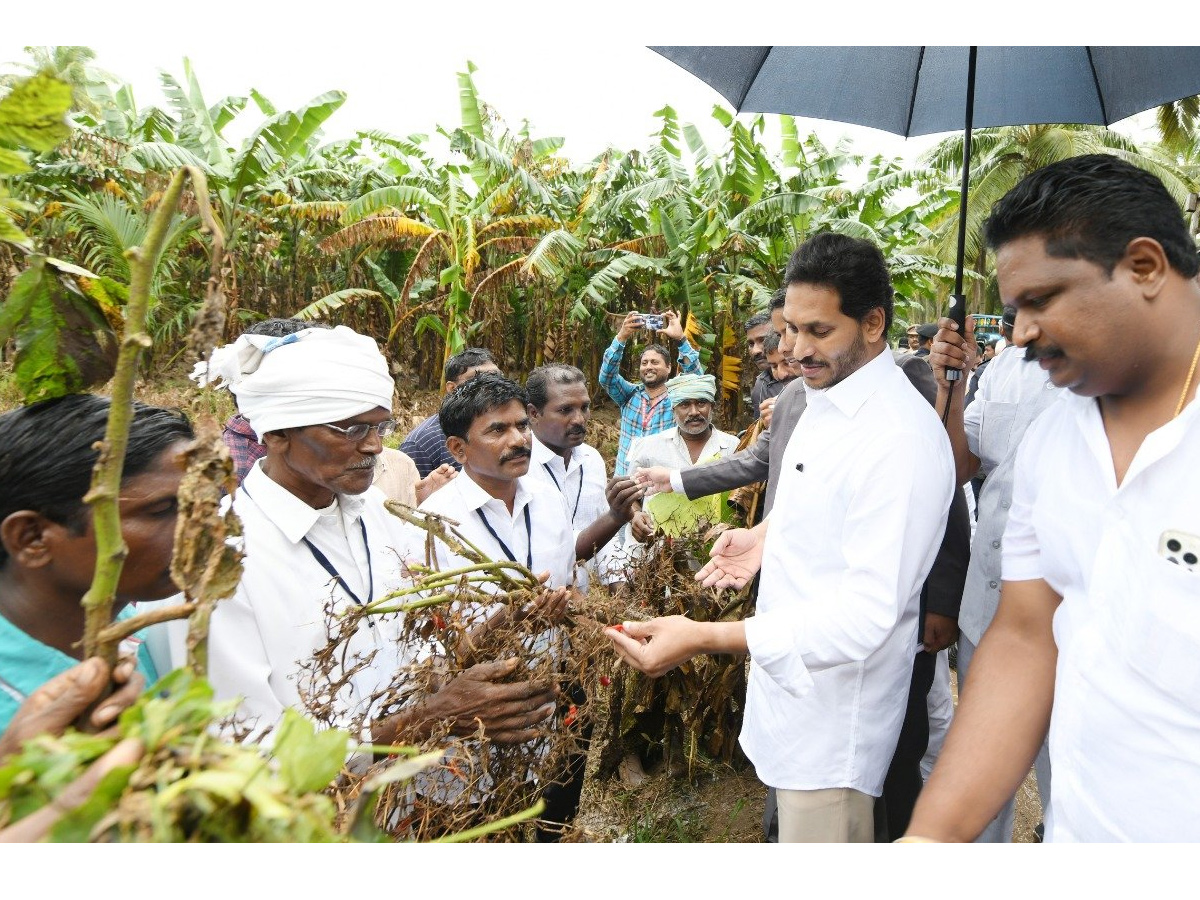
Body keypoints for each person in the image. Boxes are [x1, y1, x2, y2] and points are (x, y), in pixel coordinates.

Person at [608, 232, 955, 842]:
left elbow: (865, 615)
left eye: (818, 332)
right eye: (790, 328)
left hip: (832, 723)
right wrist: (767, 536)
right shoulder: (827, 395)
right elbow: (821, 498)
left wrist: (703, 638)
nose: (794, 349)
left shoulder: (899, 439)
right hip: (790, 700)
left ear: (873, 324)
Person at [906, 154, 1200, 843]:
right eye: (1013, 311)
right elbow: (1026, 634)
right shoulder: (1054, 437)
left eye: (1041, 300)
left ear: (1145, 267)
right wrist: (932, 839)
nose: (1020, 334)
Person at [185, 326, 557, 748]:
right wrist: (426, 721)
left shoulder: (380, 515)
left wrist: (497, 626)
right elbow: (247, 750)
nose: (375, 447)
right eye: (351, 430)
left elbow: (413, 655)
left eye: (381, 427)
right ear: (275, 434)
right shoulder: (225, 561)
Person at [0, 394, 194, 732]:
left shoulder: (135, 631)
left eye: (202, 503)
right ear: (31, 538)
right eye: (163, 510)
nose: (202, 529)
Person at [524, 364, 641, 590]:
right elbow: (559, 551)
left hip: (583, 607)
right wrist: (616, 516)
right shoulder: (521, 468)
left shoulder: (592, 459)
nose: (579, 419)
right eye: (565, 410)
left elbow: (603, 537)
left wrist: (619, 583)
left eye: (584, 407)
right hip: (538, 608)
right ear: (534, 413)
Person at [625, 373, 738, 541]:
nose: (694, 412)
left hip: (712, 551)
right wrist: (635, 515)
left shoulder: (733, 447)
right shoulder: (648, 446)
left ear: (712, 406)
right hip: (656, 550)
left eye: (701, 403)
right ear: (673, 409)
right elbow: (629, 495)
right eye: (685, 404)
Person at [598, 309, 703, 476]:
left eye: (655, 362)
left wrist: (680, 339)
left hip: (660, 480)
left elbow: (697, 381)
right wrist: (622, 337)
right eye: (644, 363)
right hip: (626, 478)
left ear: (668, 367)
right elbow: (606, 377)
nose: (648, 367)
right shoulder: (629, 395)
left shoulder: (677, 398)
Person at [399, 347, 500, 479]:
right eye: (478, 380)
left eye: (496, 377)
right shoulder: (421, 444)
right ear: (452, 388)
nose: (490, 385)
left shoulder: (511, 429)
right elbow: (410, 496)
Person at [746, 310, 786, 418]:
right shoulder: (760, 386)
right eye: (751, 344)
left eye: (762, 340)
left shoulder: (807, 373)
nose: (755, 351)